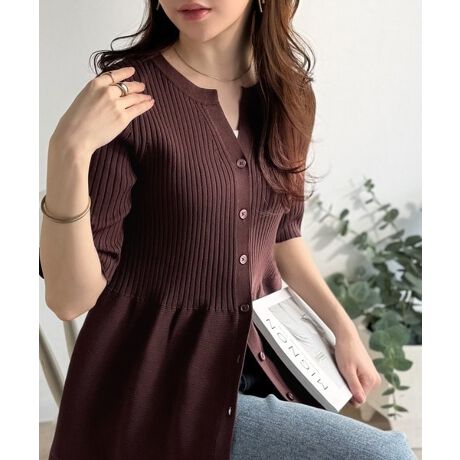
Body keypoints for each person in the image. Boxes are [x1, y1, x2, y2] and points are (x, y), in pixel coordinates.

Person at [39, 1, 416, 459]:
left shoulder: (288, 94)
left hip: (263, 361)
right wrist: (67, 150)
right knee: (386, 454)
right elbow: (68, 299)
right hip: (158, 385)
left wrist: (343, 329)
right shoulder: (125, 98)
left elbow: (282, 235)